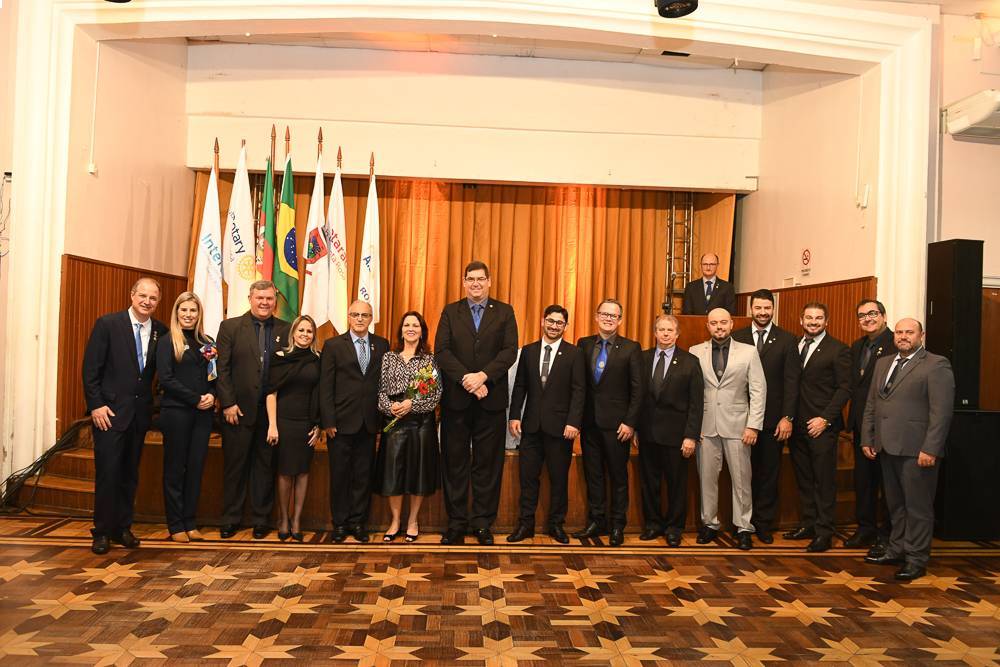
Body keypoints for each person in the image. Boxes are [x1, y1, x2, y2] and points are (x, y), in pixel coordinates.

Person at [861, 318, 954, 581]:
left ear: (921, 335)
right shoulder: (883, 363)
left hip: (917, 450)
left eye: (909, 332)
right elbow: (872, 404)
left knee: (918, 508)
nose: (903, 336)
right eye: (899, 332)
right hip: (886, 446)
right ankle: (897, 549)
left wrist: (931, 448)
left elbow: (941, 413)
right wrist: (867, 438)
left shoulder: (936, 364)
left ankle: (916, 559)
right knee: (895, 506)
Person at [435, 261, 518, 546]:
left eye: (481, 279)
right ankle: (456, 523)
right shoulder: (450, 311)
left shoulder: (505, 312)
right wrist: (466, 380)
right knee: (454, 464)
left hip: (490, 400)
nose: (476, 284)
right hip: (456, 402)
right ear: (463, 282)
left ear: (489, 281)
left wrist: (483, 376)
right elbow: (442, 351)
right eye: (470, 279)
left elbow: (509, 351)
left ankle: (483, 523)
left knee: (487, 466)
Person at [82, 278, 168, 555]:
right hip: (109, 414)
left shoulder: (161, 331)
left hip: (139, 416)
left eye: (152, 298)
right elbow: (91, 369)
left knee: (130, 475)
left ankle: (122, 528)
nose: (147, 301)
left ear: (158, 301)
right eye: (142, 295)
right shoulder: (108, 324)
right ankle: (102, 532)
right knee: (108, 474)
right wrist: (96, 405)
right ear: (132, 295)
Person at [216, 280, 291, 540]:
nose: (264, 303)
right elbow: (222, 368)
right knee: (234, 468)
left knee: (265, 468)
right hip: (237, 411)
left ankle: (261, 520)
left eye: (269, 298)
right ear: (250, 298)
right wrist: (228, 402)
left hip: (271, 414)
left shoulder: (286, 329)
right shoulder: (230, 327)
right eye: (260, 298)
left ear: (275, 301)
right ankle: (231, 518)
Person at [507, 305, 585, 545]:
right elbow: (520, 386)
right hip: (530, 427)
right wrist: (514, 416)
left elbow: (579, 391)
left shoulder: (574, 354)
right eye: (550, 321)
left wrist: (573, 422)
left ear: (565, 326)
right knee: (528, 479)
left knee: (559, 480)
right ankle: (525, 525)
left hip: (561, 429)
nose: (554, 326)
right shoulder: (528, 351)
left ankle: (556, 525)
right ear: (543, 321)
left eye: (559, 323)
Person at [689, 308, 765, 550]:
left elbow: (758, 390)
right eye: (714, 323)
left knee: (742, 480)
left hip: (739, 426)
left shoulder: (748, 352)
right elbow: (691, 393)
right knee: (707, 479)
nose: (719, 326)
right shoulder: (695, 352)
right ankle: (709, 524)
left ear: (732, 324)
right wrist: (692, 427)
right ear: (707, 326)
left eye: (723, 322)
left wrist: (753, 425)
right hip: (705, 427)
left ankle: (743, 527)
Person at [732, 289, 800, 544]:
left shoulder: (787, 339)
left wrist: (787, 417)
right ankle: (743, 524)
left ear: (773, 309)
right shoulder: (737, 337)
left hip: (773, 420)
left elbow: (792, 382)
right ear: (751, 309)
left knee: (769, 473)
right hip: (740, 419)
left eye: (767, 308)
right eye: (758, 308)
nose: (762, 313)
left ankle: (763, 523)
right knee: (742, 474)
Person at [573, 298, 642, 547]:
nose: (608, 318)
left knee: (618, 477)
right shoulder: (583, 344)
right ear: (596, 316)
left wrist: (630, 422)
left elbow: (638, 390)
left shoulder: (631, 348)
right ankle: (597, 521)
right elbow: (579, 385)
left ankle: (617, 525)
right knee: (594, 476)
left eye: (613, 315)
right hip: (589, 424)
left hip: (618, 427)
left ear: (620, 320)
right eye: (604, 314)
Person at [319, 300, 390, 544]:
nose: (360, 319)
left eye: (365, 315)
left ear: (371, 318)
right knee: (340, 476)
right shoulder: (333, 345)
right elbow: (325, 386)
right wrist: (328, 420)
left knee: (363, 476)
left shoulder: (382, 344)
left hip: (369, 423)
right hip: (339, 424)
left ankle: (359, 523)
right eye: (355, 314)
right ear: (348, 317)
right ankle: (340, 524)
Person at [784, 302, 851, 552]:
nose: (813, 322)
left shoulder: (838, 349)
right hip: (797, 425)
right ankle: (809, 524)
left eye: (819, 318)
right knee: (804, 479)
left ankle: (824, 532)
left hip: (822, 427)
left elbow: (845, 388)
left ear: (826, 322)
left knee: (824, 482)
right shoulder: (794, 345)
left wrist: (825, 419)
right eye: (809, 318)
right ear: (801, 320)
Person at [635, 314, 704, 547]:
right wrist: (635, 428)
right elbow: (637, 396)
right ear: (655, 333)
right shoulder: (642, 358)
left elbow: (696, 403)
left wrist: (691, 436)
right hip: (647, 433)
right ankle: (653, 524)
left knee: (676, 485)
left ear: (677, 334)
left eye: (670, 330)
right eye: (661, 330)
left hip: (677, 436)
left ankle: (674, 528)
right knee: (649, 483)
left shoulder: (690, 362)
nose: (665, 334)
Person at [375, 311, 442, 543]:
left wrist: (412, 404)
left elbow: (436, 395)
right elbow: (380, 391)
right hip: (394, 422)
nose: (411, 329)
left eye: (415, 325)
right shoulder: (389, 357)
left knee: (418, 474)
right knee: (393, 474)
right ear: (401, 331)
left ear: (422, 331)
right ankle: (395, 521)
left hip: (421, 424)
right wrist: (391, 407)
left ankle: (413, 521)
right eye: (406, 325)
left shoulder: (430, 361)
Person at [156, 292, 216, 543]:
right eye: (184, 310)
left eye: (193, 310)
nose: (189, 315)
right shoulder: (167, 341)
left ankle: (190, 522)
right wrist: (195, 399)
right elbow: (166, 379)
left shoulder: (207, 341)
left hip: (203, 416)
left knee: (195, 468)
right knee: (175, 469)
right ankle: (176, 524)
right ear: (176, 312)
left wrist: (212, 394)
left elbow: (213, 375)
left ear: (199, 313)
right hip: (176, 413)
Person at [846, 298, 896, 554]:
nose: (868, 319)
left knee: (887, 483)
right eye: (862, 315)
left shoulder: (895, 344)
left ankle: (887, 534)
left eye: (873, 313)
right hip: (861, 424)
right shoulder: (857, 346)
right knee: (863, 481)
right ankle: (865, 528)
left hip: (886, 425)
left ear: (884, 316)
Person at [265, 315, 321, 542]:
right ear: (293, 333)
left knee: (303, 471)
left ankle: (297, 519)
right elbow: (271, 393)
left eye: (309, 331)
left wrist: (318, 425)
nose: (305, 335)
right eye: (301, 330)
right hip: (284, 422)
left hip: (307, 422)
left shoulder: (317, 359)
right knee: (285, 471)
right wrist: (272, 425)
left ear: (314, 335)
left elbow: (320, 393)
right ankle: (283, 519)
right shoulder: (280, 357)